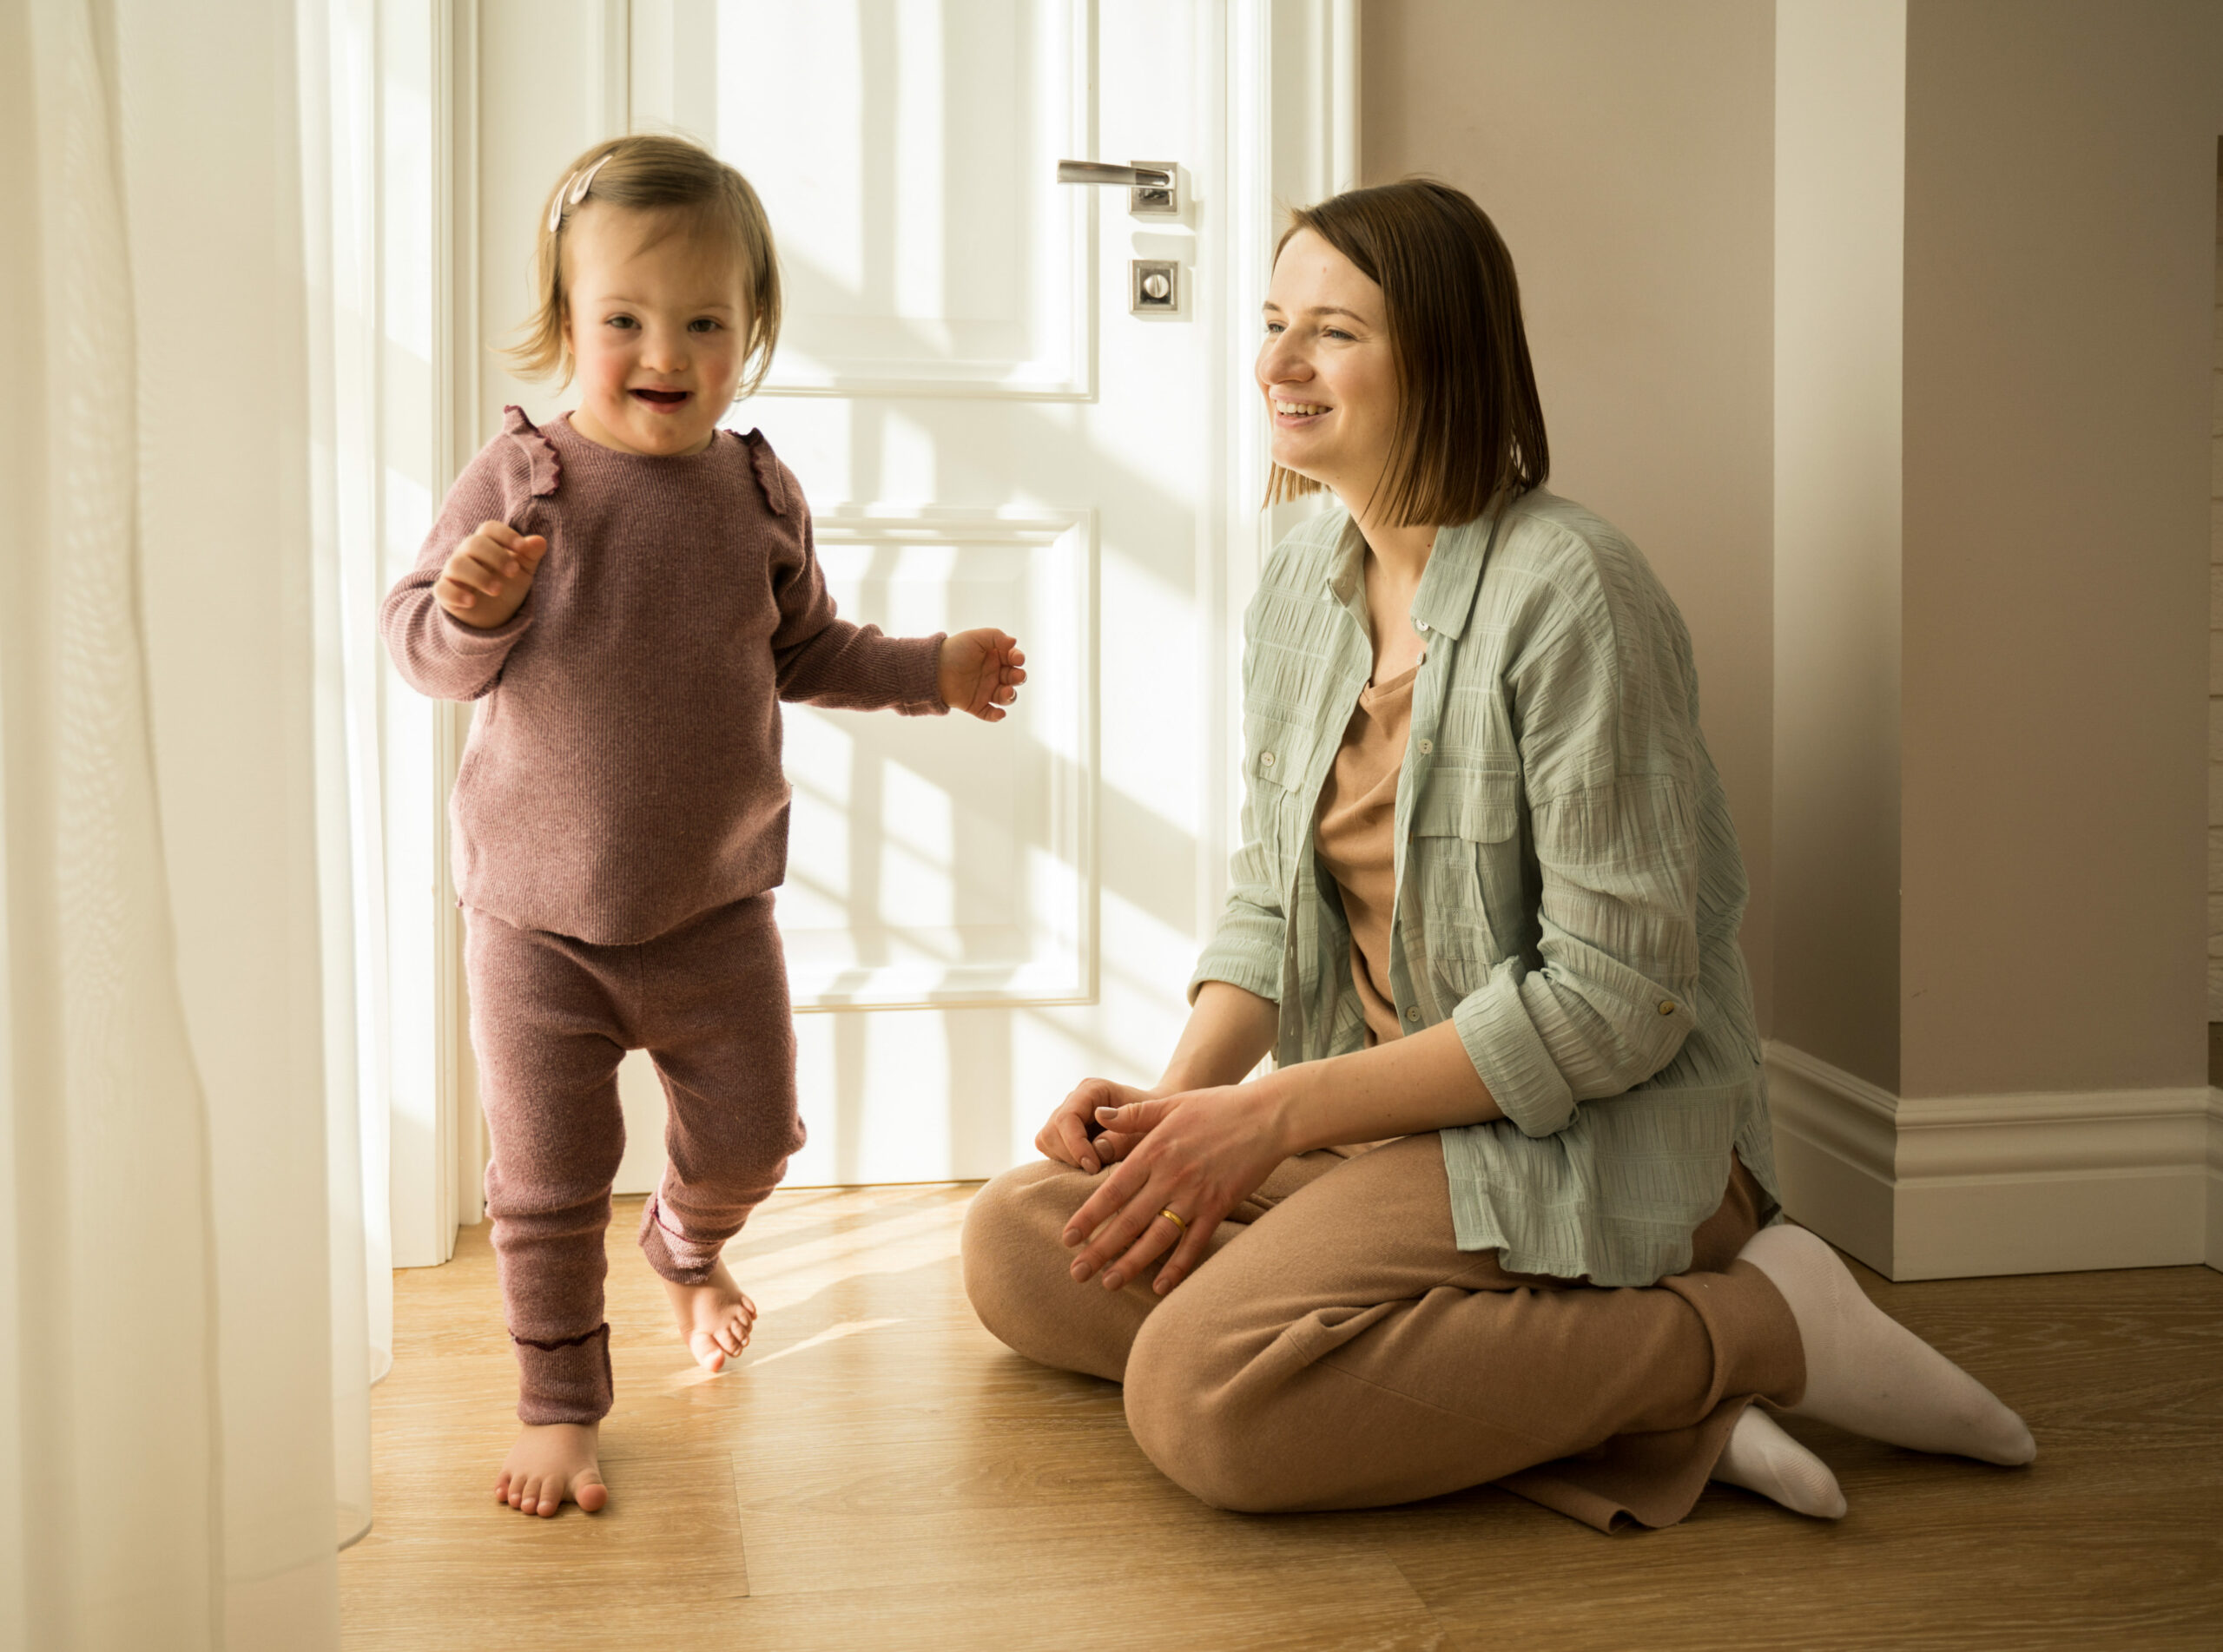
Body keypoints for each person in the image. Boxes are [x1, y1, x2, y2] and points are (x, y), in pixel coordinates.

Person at [961, 179, 2033, 1530]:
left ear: (1446, 360)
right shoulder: (1303, 580)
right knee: (1017, 1241)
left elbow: (1617, 999)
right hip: (1382, 1126)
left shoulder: (1576, 592)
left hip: (1587, 1133)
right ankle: (1619, 1408)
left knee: (1199, 1397)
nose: (1279, 364)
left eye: (1334, 332)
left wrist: (1274, 1117)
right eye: (1275, 320)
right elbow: (1265, 894)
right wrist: (1177, 1121)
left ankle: (1760, 1326)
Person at [380, 135, 1027, 1519]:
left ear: (750, 335)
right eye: (622, 319)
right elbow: (425, 653)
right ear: (567, 324)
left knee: (755, 1137)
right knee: (549, 1182)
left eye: (703, 323)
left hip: (717, 909)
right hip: (536, 917)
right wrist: (471, 609)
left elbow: (810, 648)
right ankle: (561, 1400)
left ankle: (687, 1243)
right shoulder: (524, 483)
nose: (661, 350)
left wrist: (933, 670)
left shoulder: (753, 493)